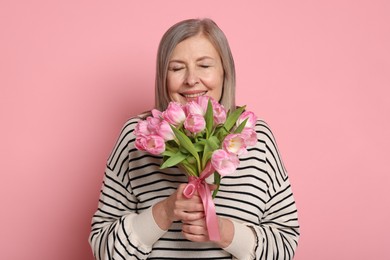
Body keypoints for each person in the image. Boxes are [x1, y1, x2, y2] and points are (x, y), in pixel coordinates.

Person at [89, 18, 300, 259]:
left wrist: (226, 233)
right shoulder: (137, 136)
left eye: (204, 65)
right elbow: (103, 250)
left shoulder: (254, 136)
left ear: (225, 72)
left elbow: (285, 243)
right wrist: (164, 212)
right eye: (177, 68)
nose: (191, 79)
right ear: (163, 77)